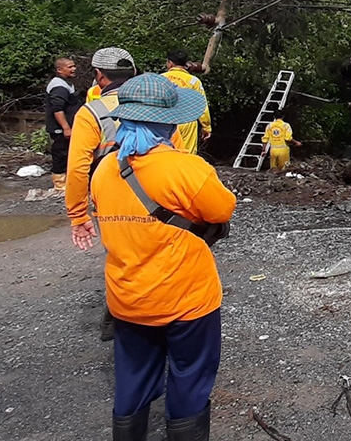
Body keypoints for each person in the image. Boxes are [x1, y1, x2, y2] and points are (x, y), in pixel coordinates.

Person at [82, 73, 235, 440]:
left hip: (127, 297)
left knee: (132, 378)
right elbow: (223, 210)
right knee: (190, 376)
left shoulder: (105, 169)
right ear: (170, 120)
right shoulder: (186, 167)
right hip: (187, 301)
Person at [65, 46, 139, 342]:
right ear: (133, 74)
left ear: (99, 76)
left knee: (120, 256)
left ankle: (118, 314)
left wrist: (77, 214)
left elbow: (78, 170)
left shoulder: (91, 112)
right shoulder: (154, 105)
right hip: (157, 196)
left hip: (109, 200)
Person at [163, 50, 212, 155]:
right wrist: (206, 126)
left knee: (165, 153)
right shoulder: (193, 81)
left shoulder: (160, 78)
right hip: (187, 120)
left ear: (170, 63)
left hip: (164, 121)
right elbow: (201, 105)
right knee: (187, 155)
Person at [45, 58, 82, 195]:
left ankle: (69, 181)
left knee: (68, 154)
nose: (74, 69)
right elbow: (57, 109)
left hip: (69, 127)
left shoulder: (67, 84)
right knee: (61, 153)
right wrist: (66, 127)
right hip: (60, 128)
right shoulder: (59, 86)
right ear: (60, 70)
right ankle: (60, 184)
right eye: (70, 67)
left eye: (74, 66)